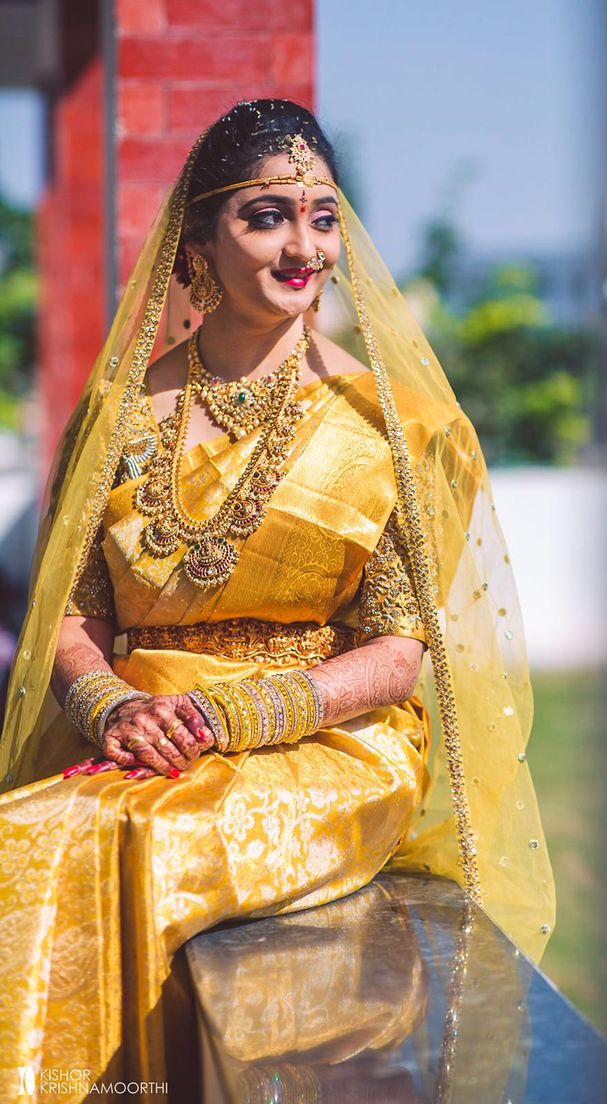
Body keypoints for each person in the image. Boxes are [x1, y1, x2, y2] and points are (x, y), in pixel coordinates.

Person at [0, 100, 554, 1095]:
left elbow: (398, 652)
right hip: (147, 739)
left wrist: (231, 713)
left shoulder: (388, 426)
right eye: (266, 216)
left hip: (325, 745)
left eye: (323, 216)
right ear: (200, 238)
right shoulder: (121, 413)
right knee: (20, 842)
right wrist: (116, 706)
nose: (304, 246)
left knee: (143, 846)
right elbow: (75, 613)